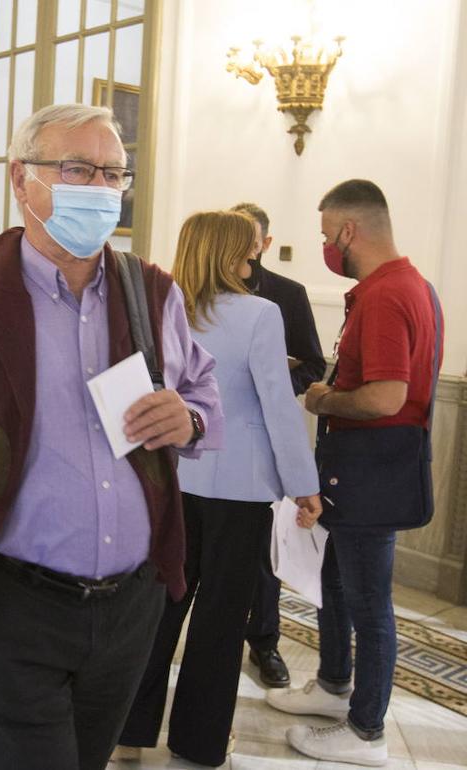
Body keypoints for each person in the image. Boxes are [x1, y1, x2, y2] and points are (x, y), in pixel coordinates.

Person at [0, 104, 223, 770]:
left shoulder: (153, 295)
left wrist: (187, 417)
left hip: (132, 605)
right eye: (77, 168)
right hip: (19, 605)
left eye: (112, 173)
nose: (100, 188)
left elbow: (203, 396)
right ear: (22, 181)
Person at [114, 210, 322, 767]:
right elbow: (278, 405)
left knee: (161, 607)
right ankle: (199, 741)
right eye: (247, 251)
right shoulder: (260, 313)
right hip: (240, 485)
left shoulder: (161, 307)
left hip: (173, 477)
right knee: (222, 618)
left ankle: (129, 731)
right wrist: (304, 484)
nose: (253, 260)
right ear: (231, 255)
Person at [268, 179, 444, 767]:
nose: (325, 247)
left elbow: (386, 397)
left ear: (348, 231)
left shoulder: (388, 294)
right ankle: (333, 686)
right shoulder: (402, 285)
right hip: (360, 470)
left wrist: (320, 400)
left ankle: (365, 731)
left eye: (325, 235)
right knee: (336, 583)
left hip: (373, 469)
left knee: (369, 604)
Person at [230, 201, 326, 689]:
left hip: (268, 437)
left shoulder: (287, 295)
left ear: (265, 243)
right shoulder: (197, 290)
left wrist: (280, 373)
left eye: (251, 237)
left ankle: (264, 643)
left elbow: (314, 367)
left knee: (265, 552)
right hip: (211, 443)